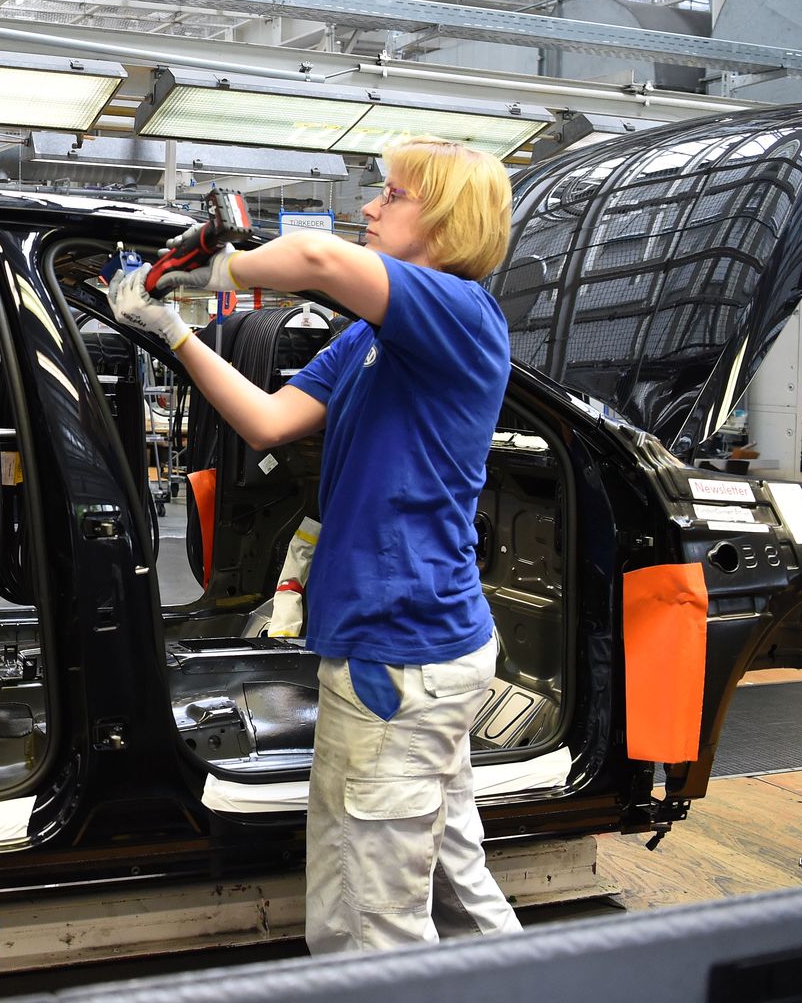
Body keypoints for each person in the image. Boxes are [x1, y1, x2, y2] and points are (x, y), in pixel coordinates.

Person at [110, 137, 518, 954]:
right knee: (448, 876)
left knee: (368, 916)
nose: (370, 205)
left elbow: (318, 260)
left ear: (443, 218)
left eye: (392, 194)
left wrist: (212, 270)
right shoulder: (374, 339)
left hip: (399, 658)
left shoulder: (458, 312)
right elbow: (269, 421)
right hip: (416, 653)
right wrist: (173, 331)